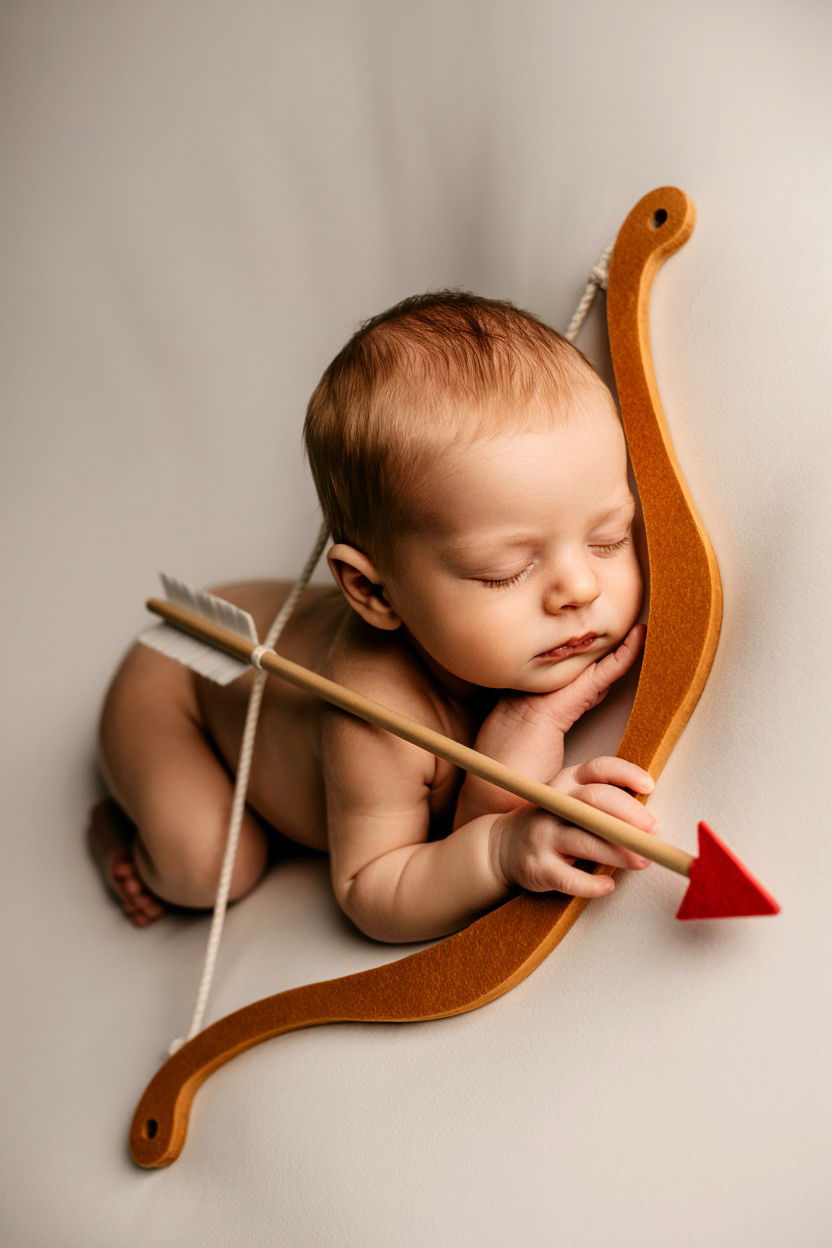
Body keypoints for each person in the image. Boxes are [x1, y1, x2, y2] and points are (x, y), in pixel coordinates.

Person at [88, 290, 659, 940]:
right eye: (504, 571)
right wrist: (502, 851)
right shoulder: (374, 715)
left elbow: (478, 797)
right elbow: (374, 889)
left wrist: (530, 719)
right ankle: (121, 832)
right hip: (176, 685)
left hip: (265, 618)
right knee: (209, 867)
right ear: (375, 593)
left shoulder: (518, 632)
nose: (581, 588)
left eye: (609, 537)